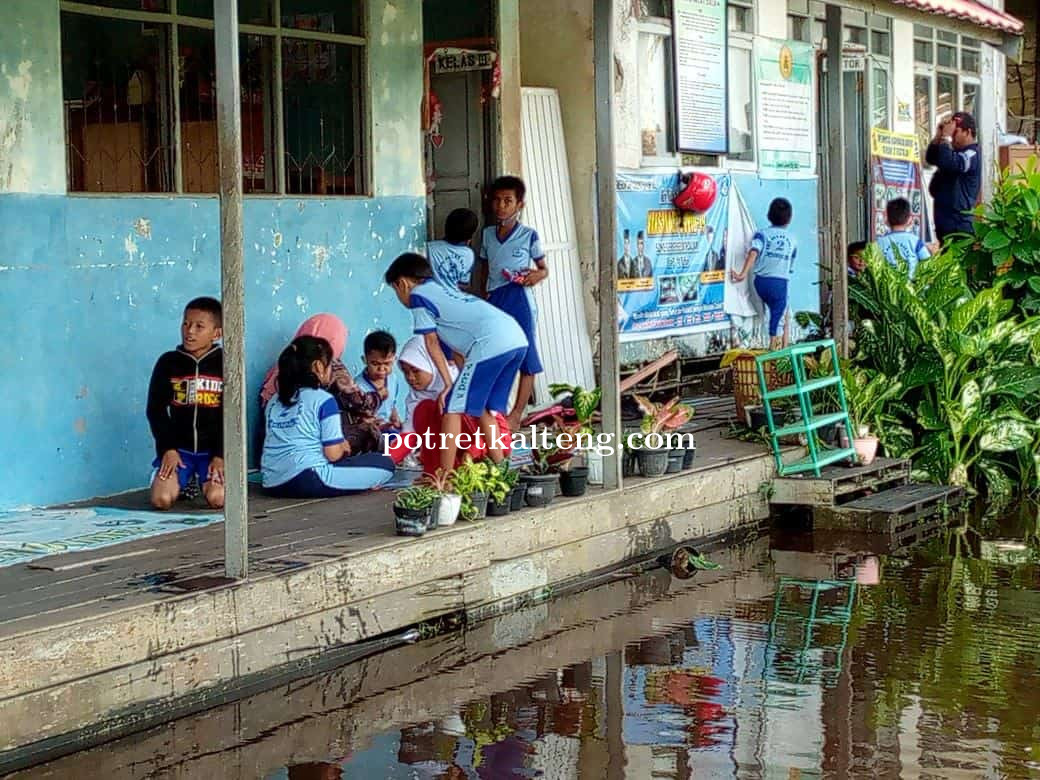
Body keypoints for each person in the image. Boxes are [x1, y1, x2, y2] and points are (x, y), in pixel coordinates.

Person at [385, 252, 527, 474]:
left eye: (395, 291)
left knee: (452, 406)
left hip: (491, 343)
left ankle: (444, 477)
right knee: (483, 409)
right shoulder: (444, 291)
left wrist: (449, 384)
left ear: (402, 284)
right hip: (516, 338)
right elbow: (459, 351)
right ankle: (502, 471)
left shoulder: (418, 297)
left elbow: (431, 343)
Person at [261, 335, 394, 497]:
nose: (332, 371)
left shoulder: (274, 401)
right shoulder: (323, 399)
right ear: (318, 367)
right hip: (308, 478)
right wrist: (344, 447)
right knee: (384, 463)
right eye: (330, 364)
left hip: (272, 482)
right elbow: (333, 454)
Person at [477, 175, 547, 430]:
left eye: (508, 201)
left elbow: (543, 268)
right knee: (497, 353)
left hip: (519, 299)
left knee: (526, 355)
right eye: (497, 200)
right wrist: (483, 293)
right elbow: (485, 266)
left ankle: (516, 413)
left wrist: (537, 275)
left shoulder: (528, 235)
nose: (501, 206)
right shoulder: (487, 235)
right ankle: (495, 412)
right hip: (494, 298)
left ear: (520, 205)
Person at [259, 314, 385, 454]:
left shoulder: (279, 372)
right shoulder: (329, 373)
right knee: (372, 434)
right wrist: (378, 397)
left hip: (276, 453)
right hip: (313, 450)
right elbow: (357, 401)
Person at [147, 296, 225, 510]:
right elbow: (155, 410)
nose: (189, 331)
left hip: (212, 453)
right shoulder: (168, 362)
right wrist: (168, 449)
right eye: (186, 324)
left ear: (216, 333)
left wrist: (221, 455)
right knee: (161, 500)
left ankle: (200, 480)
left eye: (199, 326)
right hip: (180, 451)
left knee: (218, 498)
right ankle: (184, 479)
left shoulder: (225, 364)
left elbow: (232, 415)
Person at [397, 336, 509, 475]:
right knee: (424, 409)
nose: (410, 378)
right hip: (458, 458)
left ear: (431, 364)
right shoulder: (416, 399)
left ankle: (447, 473)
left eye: (415, 371)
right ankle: (441, 474)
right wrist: (387, 460)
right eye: (405, 372)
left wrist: (472, 451)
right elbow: (408, 436)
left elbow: (497, 430)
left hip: (490, 447)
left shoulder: (463, 384)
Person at [730, 198, 796, 350]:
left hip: (760, 282)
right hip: (779, 283)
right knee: (779, 318)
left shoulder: (761, 234)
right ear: (789, 219)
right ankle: (776, 352)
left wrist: (742, 274)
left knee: (779, 315)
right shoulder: (792, 240)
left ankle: (782, 347)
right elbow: (790, 267)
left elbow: (754, 252)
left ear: (769, 215)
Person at [925, 111, 981, 242]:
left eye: (955, 131)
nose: (951, 135)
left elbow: (951, 163)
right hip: (944, 222)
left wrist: (946, 138)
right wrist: (939, 136)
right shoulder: (950, 151)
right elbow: (931, 158)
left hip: (960, 225)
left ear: (967, 132)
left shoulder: (972, 154)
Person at [354, 330, 402, 430]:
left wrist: (395, 418)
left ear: (394, 359)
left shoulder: (393, 379)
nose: (381, 369)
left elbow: (391, 405)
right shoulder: (357, 386)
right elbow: (358, 420)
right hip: (369, 433)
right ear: (365, 360)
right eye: (375, 364)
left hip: (389, 429)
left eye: (387, 363)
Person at [876, 198, 930, 277]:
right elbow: (927, 262)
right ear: (909, 220)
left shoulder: (879, 242)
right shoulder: (915, 241)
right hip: (912, 284)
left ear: (886, 220)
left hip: (887, 284)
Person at [427, 208, 479, 290]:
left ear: (446, 226)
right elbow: (464, 284)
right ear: (470, 236)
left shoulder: (429, 248)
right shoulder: (469, 255)